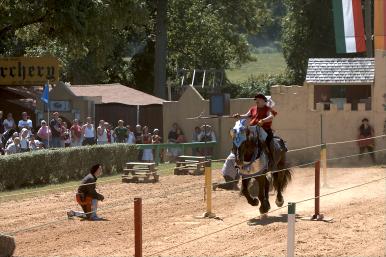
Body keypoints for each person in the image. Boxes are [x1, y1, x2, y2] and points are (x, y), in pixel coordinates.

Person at [233, 93, 277, 165]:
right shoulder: (252, 109)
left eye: (259, 99)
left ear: (264, 101)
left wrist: (263, 121)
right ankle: (239, 157)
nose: (257, 101)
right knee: (241, 139)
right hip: (252, 130)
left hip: (264, 130)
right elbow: (246, 115)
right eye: (256, 100)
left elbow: (271, 117)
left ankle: (271, 159)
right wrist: (239, 116)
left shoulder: (268, 109)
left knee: (269, 142)